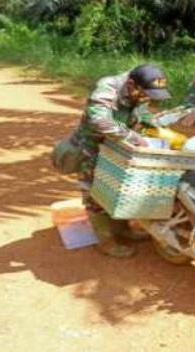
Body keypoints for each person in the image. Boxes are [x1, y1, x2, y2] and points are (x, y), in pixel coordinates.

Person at [71, 64, 172, 257]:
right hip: (93, 145)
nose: (147, 98)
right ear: (132, 84)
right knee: (95, 190)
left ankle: (123, 230)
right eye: (145, 94)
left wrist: (156, 124)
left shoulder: (140, 90)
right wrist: (134, 138)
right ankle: (106, 240)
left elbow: (141, 114)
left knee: (118, 186)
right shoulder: (108, 87)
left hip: (118, 145)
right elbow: (99, 121)